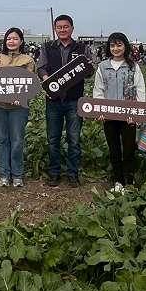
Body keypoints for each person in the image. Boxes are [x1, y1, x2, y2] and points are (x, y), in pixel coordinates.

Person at [36, 14, 94, 187]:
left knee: (74, 139)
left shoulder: (82, 48)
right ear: (55, 29)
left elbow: (90, 72)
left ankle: (72, 173)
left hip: (74, 100)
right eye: (59, 27)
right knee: (53, 138)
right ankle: (54, 172)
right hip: (53, 100)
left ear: (72, 28)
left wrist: (88, 67)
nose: (62, 30)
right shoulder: (48, 47)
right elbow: (41, 67)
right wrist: (46, 78)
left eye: (65, 26)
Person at [92, 32, 146, 192]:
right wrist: (99, 110)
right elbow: (98, 90)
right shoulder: (102, 66)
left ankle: (129, 180)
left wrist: (137, 114)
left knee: (129, 148)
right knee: (113, 148)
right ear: (109, 48)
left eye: (119, 45)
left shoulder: (133, 66)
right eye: (113, 45)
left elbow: (140, 90)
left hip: (128, 115)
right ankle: (118, 181)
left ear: (125, 46)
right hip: (109, 115)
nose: (116, 48)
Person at [0, 27, 36, 187]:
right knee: (2, 140)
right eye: (9, 38)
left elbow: (30, 83)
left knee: (17, 141)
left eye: (15, 38)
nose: (12, 41)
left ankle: (17, 175)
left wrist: (21, 97)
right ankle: (3, 174)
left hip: (18, 107)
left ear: (21, 41)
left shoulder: (28, 60)